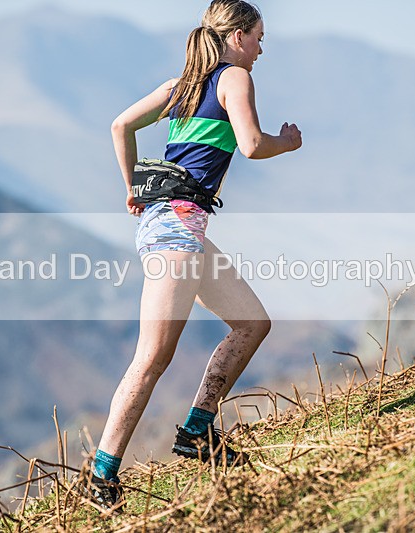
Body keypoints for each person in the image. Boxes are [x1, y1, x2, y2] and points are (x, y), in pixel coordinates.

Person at [82, 0, 302, 509]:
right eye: (259, 36)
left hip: (178, 225)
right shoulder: (234, 78)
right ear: (238, 36)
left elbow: (121, 127)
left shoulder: (181, 84)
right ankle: (101, 479)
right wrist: (286, 143)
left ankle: (198, 432)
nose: (262, 48)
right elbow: (249, 145)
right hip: (177, 229)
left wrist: (132, 189)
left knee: (252, 322)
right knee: (152, 357)